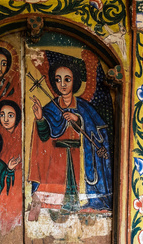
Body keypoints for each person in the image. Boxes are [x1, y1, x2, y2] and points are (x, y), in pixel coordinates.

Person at [29, 57, 112, 216]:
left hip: (79, 157)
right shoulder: (51, 108)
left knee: (76, 195)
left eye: (67, 79)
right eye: (58, 80)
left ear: (75, 81)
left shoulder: (83, 107)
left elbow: (99, 132)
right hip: (55, 160)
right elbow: (44, 136)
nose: (63, 84)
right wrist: (40, 118)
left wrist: (78, 119)